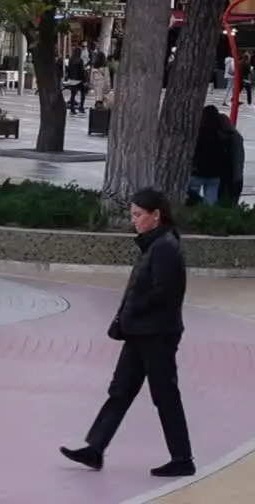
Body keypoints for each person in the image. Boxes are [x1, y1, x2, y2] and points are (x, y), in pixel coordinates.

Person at [60, 188, 194, 478]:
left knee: (165, 395)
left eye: (138, 215)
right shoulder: (154, 244)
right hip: (140, 333)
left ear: (155, 216)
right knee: (120, 391)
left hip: (157, 335)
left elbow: (165, 292)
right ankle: (95, 448)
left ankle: (182, 458)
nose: (133, 220)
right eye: (132, 214)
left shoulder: (165, 247)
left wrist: (133, 310)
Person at [190, 105, 231, 205]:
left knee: (192, 197)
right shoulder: (221, 134)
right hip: (215, 172)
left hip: (197, 170)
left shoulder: (198, 132)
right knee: (211, 199)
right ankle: (208, 215)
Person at [64, 50, 88, 114]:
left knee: (73, 94)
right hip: (79, 80)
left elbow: (68, 70)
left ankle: (72, 109)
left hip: (72, 80)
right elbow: (81, 71)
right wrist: (84, 80)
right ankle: (81, 107)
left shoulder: (71, 60)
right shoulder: (80, 60)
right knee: (83, 94)